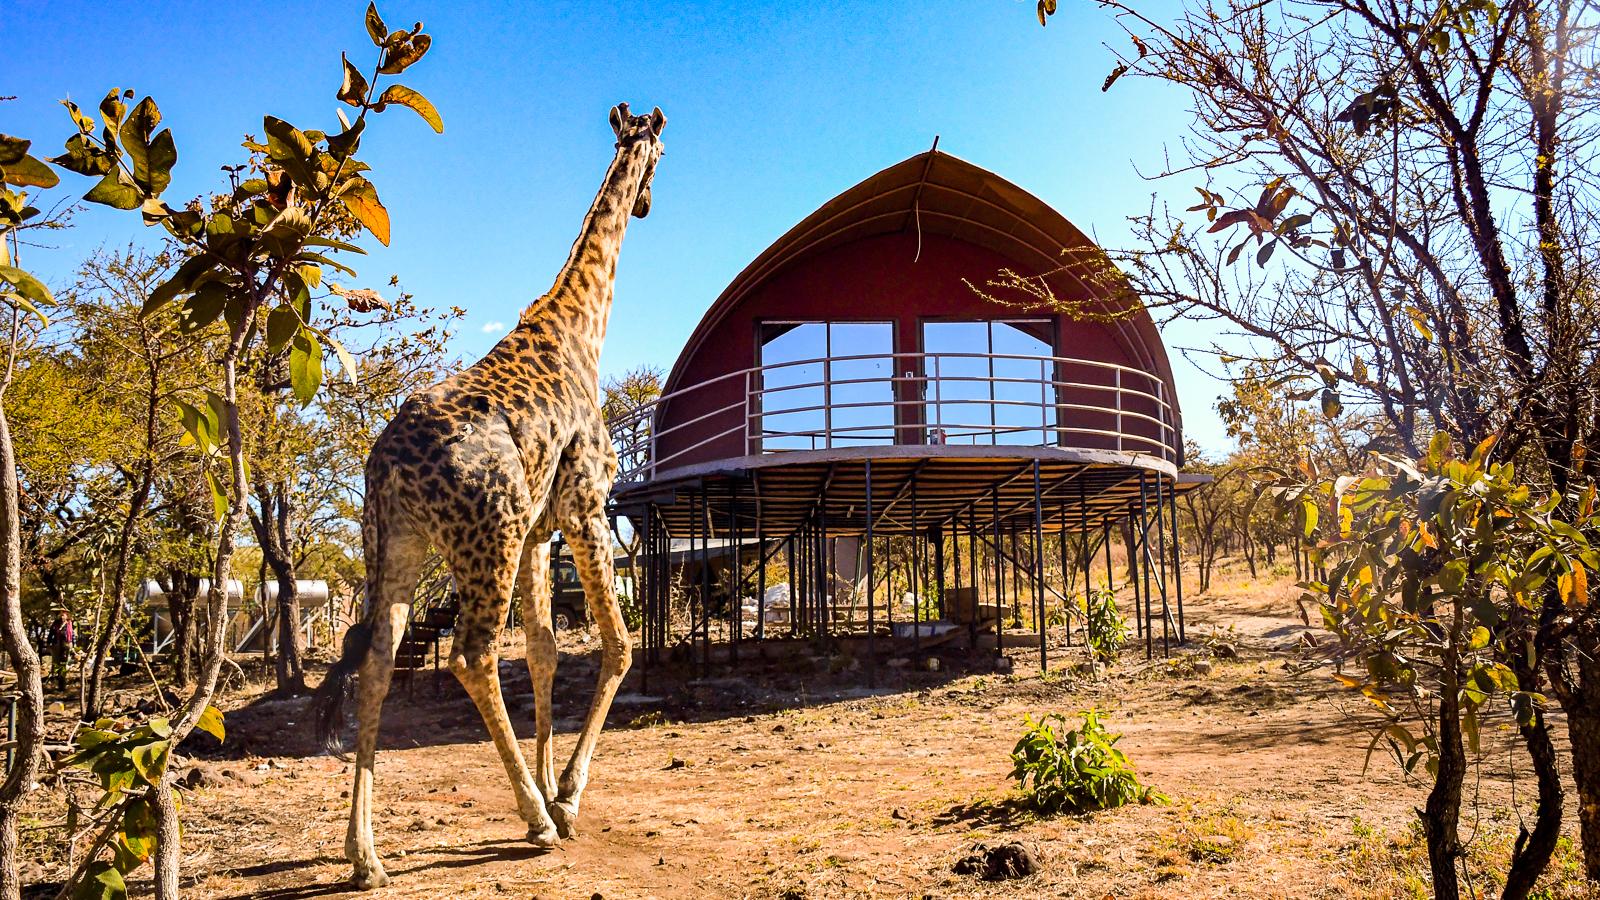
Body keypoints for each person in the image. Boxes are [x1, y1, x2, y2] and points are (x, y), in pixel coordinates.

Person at [46, 607, 74, 691]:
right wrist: (48, 643)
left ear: (66, 615)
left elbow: (72, 636)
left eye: (63, 615)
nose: (62, 616)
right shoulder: (55, 624)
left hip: (66, 645)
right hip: (56, 644)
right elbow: (51, 634)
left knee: (64, 665)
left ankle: (63, 684)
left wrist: (73, 646)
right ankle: (57, 683)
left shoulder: (69, 624)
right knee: (56, 664)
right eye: (61, 615)